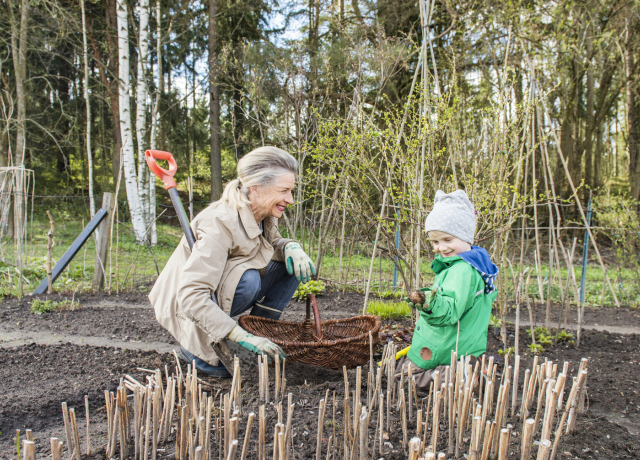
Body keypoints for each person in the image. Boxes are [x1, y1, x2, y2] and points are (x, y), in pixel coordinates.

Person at [149, 146, 316, 378]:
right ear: (256, 188)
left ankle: (260, 334)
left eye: (291, 190)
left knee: (291, 267)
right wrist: (239, 337)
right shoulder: (218, 223)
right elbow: (191, 295)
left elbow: (271, 245)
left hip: (222, 291)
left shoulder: (263, 213)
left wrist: (291, 247)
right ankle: (199, 349)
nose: (290, 199)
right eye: (284, 190)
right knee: (248, 281)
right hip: (188, 306)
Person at [400, 189, 499, 390]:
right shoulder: (466, 264)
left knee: (403, 378)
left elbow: (450, 311)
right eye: (435, 242)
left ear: (466, 236)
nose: (441, 248)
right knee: (402, 372)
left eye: (448, 240)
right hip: (455, 343)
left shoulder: (461, 270)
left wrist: (428, 302)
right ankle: (467, 369)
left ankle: (464, 375)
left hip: (447, 345)